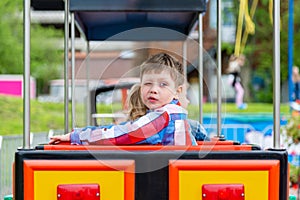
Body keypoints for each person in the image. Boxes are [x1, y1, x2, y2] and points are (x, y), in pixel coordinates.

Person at [49, 53, 197, 145]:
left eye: (163, 85)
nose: (153, 89)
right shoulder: (176, 114)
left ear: (177, 92)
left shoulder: (163, 116)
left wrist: (78, 136)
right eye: (148, 83)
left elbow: (124, 134)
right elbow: (197, 128)